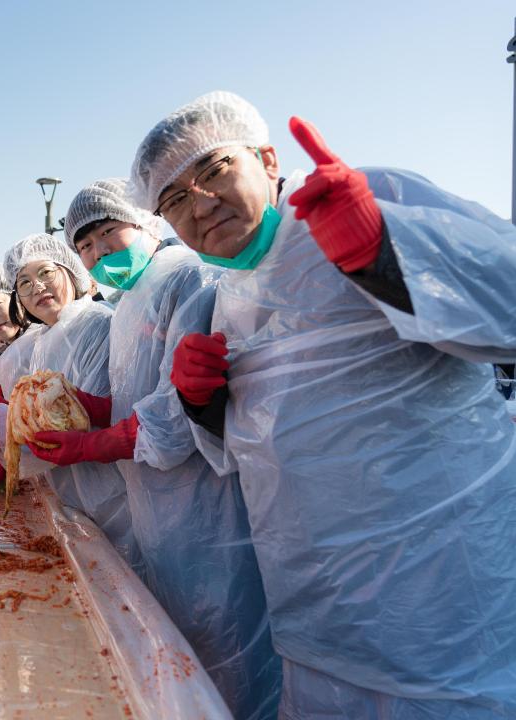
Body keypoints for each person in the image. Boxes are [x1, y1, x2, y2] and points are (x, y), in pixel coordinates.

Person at [133, 91, 516, 718]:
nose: (201, 203)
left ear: (267, 159)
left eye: (214, 170)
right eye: (173, 198)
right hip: (316, 624)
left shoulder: (364, 195)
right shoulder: (228, 295)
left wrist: (386, 253)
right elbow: (254, 450)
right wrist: (203, 403)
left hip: (444, 613)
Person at [25, 178, 280, 719]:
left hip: (206, 508)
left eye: (107, 232)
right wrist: (91, 411)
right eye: (84, 245)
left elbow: (179, 413)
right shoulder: (127, 303)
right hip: (155, 505)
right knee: (177, 639)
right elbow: (135, 395)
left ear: (146, 223)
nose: (98, 252)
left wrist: (96, 441)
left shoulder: (184, 276)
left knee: (225, 644)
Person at [0, 234, 137, 565]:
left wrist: (1, 422)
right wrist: (4, 421)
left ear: (70, 272)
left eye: (45, 273)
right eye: (24, 283)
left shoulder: (97, 325)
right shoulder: (45, 340)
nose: (37, 287)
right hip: (70, 494)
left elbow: (82, 423)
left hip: (110, 494)